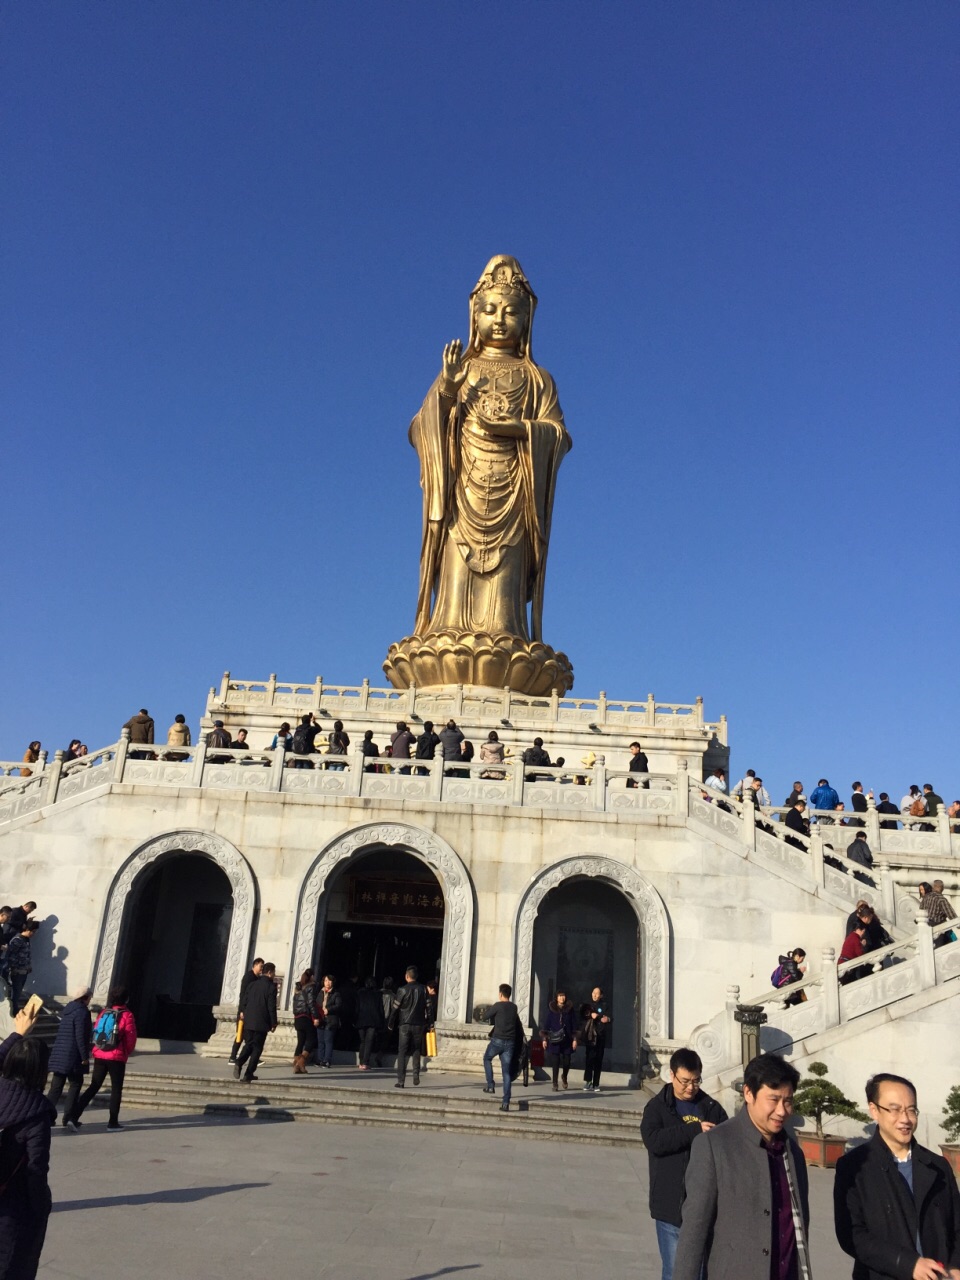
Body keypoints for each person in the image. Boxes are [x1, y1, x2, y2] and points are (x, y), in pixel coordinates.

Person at [404, 255, 571, 658]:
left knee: (506, 577)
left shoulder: (537, 378)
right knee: (458, 566)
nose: (500, 319)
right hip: (464, 487)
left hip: (515, 488)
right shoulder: (463, 369)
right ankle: (446, 631)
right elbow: (421, 426)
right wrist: (446, 389)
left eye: (511, 311)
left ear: (526, 321)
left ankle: (508, 637)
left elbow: (558, 434)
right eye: (490, 310)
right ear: (474, 316)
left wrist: (519, 430)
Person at [673, 1053, 809, 1280]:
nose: (782, 1111)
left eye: (788, 1101)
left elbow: (799, 1230)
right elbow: (693, 1233)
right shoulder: (714, 1146)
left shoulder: (793, 1154)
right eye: (774, 1100)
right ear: (748, 1093)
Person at [834, 1072, 960, 1280]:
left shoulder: (938, 1167)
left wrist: (955, 1266)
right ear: (874, 1110)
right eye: (895, 1110)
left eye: (911, 1110)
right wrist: (908, 1264)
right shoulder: (854, 1167)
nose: (905, 1119)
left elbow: (957, 1226)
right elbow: (852, 1235)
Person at [640, 1047, 729, 1280]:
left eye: (696, 1081)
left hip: (703, 1206)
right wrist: (694, 1130)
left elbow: (728, 1142)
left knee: (701, 1272)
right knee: (675, 1272)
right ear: (671, 1075)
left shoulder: (711, 1108)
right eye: (685, 1081)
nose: (690, 1087)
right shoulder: (657, 1108)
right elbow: (654, 1141)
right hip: (670, 1205)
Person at [0, 1004, 55, 1280]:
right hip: (11, 1208)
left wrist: (16, 1035)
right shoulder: (36, 1113)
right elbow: (36, 1169)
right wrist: (43, 1205)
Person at [65, 986, 137, 1130]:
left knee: (94, 1085)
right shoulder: (127, 1015)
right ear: (126, 999)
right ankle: (112, 1122)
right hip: (116, 1056)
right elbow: (130, 1038)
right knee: (116, 1089)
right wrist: (126, 1052)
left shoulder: (104, 1012)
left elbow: (96, 1031)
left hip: (100, 1054)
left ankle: (74, 1117)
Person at [46, 985, 93, 1125]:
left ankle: (46, 1116)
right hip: (73, 1056)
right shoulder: (82, 1012)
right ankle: (69, 1117)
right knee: (75, 1084)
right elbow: (80, 1036)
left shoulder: (67, 1010)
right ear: (85, 998)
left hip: (60, 1054)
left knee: (55, 1088)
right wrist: (85, 1056)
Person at [233, 963, 277, 1082]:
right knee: (257, 1048)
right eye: (273, 972)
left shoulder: (252, 984)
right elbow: (271, 1006)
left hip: (249, 1020)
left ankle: (239, 1061)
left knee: (249, 1044)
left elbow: (244, 1001)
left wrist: (242, 1012)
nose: (274, 975)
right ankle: (248, 1073)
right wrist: (274, 1022)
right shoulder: (271, 987)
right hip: (261, 1022)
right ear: (269, 973)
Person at [483, 982, 521, 1112]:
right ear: (509, 994)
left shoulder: (498, 1005)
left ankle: (490, 1085)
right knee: (506, 1073)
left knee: (487, 1058)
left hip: (497, 1040)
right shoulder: (514, 1007)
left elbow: (485, 1016)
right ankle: (505, 1102)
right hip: (510, 1043)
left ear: (500, 994)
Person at [393, 966, 427, 1088]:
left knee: (402, 1051)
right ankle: (415, 1074)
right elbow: (429, 1007)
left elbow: (395, 1008)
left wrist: (391, 1023)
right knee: (416, 1049)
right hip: (419, 1024)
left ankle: (401, 1081)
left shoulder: (402, 989)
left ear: (407, 976)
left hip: (404, 1024)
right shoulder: (423, 989)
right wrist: (430, 1023)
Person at [540, 990, 577, 1091]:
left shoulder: (570, 1009)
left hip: (567, 1039)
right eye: (560, 996)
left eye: (563, 996)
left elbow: (574, 1024)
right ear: (556, 998)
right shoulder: (552, 1009)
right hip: (555, 1039)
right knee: (555, 1061)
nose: (562, 998)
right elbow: (546, 1024)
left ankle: (564, 1076)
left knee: (567, 1061)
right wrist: (544, 1039)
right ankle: (555, 1083)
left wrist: (574, 1039)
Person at [229, 957, 264, 1063]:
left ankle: (240, 1057)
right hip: (244, 1011)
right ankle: (234, 1057)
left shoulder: (257, 978)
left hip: (249, 1011)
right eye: (261, 966)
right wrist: (242, 1010)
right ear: (255, 965)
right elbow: (243, 994)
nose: (262, 969)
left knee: (246, 1036)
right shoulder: (249, 977)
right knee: (241, 1034)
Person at [4, 919, 39, 1016]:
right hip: (17, 972)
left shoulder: (26, 941)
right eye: (33, 931)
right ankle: (12, 1012)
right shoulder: (17, 940)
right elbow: (11, 956)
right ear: (28, 929)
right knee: (15, 993)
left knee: (18, 993)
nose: (34, 934)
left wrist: (28, 967)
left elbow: (26, 956)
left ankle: (14, 1010)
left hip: (24, 971)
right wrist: (14, 969)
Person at [580, 987, 611, 1092]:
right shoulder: (587, 1005)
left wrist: (608, 1019)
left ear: (601, 995)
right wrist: (590, 1015)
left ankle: (596, 1083)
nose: (595, 995)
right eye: (593, 993)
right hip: (590, 1036)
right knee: (589, 1058)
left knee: (598, 1059)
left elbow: (611, 1017)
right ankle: (588, 1081)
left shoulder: (605, 1005)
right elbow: (582, 1014)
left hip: (600, 1035)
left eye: (597, 993)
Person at [291, 969, 319, 1074]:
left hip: (297, 1017)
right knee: (311, 1040)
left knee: (301, 1041)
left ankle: (297, 1065)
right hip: (305, 1016)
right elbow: (311, 1002)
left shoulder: (298, 987)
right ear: (312, 976)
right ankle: (301, 1061)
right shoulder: (310, 987)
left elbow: (294, 1003)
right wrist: (315, 1016)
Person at [354, 976, 384, 1070]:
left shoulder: (360, 993)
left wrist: (354, 1019)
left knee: (362, 1041)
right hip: (373, 1020)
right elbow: (381, 1009)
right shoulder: (378, 994)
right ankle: (366, 1062)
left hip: (361, 1019)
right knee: (369, 1041)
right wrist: (382, 1021)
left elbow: (356, 1008)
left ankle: (361, 1061)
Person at [316, 974, 342, 1067]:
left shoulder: (336, 993)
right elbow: (316, 1004)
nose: (327, 983)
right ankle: (320, 1059)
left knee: (328, 1040)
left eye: (329, 981)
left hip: (331, 1020)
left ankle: (327, 1060)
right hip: (321, 1019)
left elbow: (338, 1005)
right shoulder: (320, 992)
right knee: (321, 1041)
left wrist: (329, 1009)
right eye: (326, 981)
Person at [919, 882, 956, 947]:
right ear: (942, 888)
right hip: (938, 929)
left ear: (933, 888)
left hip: (925, 928)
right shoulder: (941, 899)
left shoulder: (925, 898)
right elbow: (951, 915)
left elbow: (920, 911)